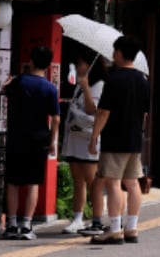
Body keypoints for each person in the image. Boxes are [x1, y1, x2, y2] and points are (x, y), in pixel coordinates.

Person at [89, 36, 150, 247]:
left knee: (113, 181)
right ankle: (131, 228)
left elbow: (104, 112)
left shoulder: (114, 80)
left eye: (115, 51)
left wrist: (94, 135)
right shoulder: (143, 80)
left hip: (114, 138)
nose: (113, 55)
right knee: (132, 183)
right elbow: (144, 114)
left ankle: (114, 230)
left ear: (120, 53)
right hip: (134, 139)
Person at [0, 44, 60, 240]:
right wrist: (52, 141)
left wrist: (8, 82)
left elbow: (4, 90)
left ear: (31, 61)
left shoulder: (18, 82)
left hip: (17, 136)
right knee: (33, 182)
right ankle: (26, 225)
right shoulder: (50, 88)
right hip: (39, 137)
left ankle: (11, 225)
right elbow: (56, 118)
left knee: (13, 182)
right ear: (49, 65)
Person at [61, 59, 109, 235]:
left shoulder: (99, 85)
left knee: (93, 183)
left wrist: (87, 87)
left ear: (91, 67)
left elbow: (92, 110)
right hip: (75, 137)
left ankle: (97, 220)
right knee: (78, 181)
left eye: (81, 64)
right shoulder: (79, 85)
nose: (79, 67)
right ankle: (77, 219)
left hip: (89, 138)